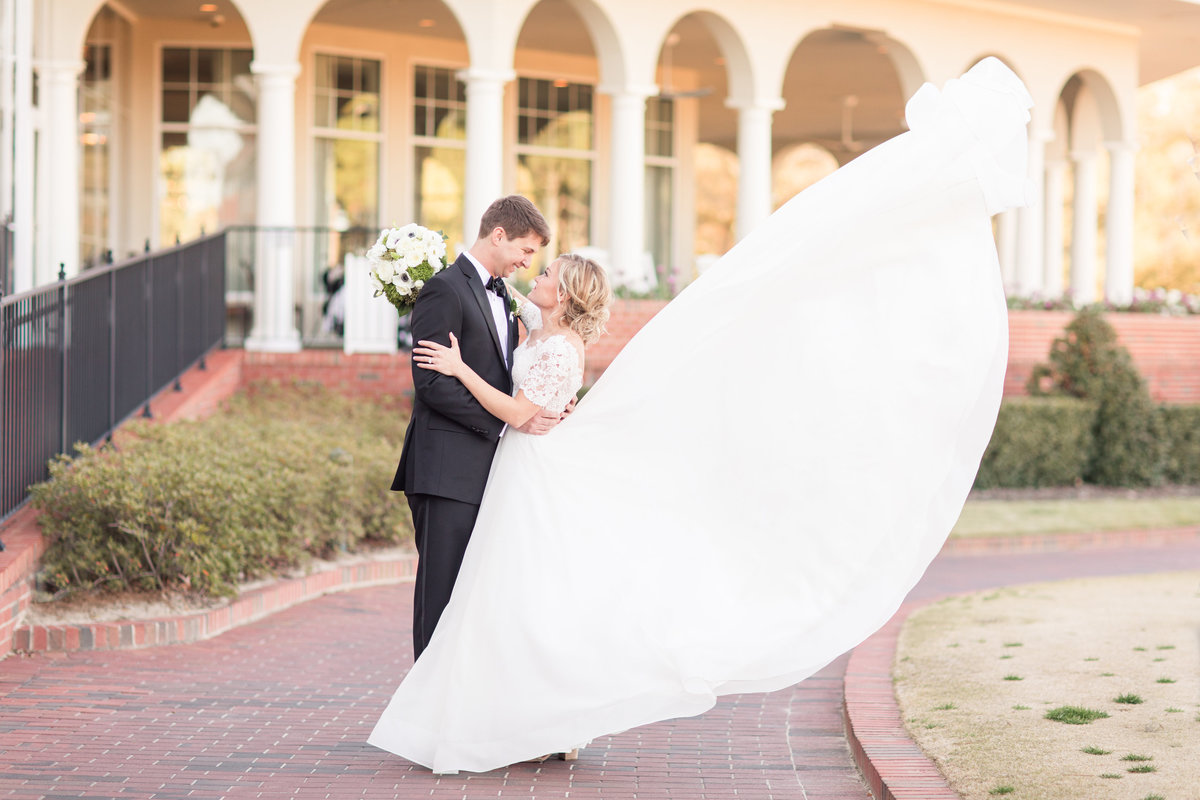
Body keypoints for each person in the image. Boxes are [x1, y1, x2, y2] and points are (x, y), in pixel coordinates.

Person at [370, 57, 1033, 775]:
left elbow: (519, 405)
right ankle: (477, 710)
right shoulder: (521, 312)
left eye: (546, 268)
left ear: (566, 291)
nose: (536, 271)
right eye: (533, 259)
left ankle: (521, 712)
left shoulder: (556, 344)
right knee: (489, 600)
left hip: (525, 465)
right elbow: (501, 329)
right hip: (503, 466)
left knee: (522, 598)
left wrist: (467, 372)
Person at [391, 195, 553, 660]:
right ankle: (425, 701)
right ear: (498, 235)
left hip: (487, 471)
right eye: (525, 250)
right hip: (446, 471)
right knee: (441, 598)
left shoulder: (504, 295)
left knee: (472, 602)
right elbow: (432, 385)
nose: (527, 262)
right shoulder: (444, 289)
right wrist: (506, 422)